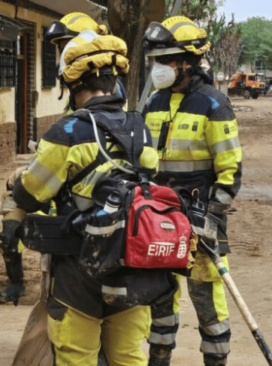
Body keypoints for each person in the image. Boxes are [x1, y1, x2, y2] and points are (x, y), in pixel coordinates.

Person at [11, 31, 160, 365]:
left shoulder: (67, 133)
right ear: (114, 81)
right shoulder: (142, 130)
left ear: (72, 85)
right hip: (133, 268)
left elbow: (29, 194)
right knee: (128, 358)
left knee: (76, 357)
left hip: (79, 272)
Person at [142, 16, 243, 366]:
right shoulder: (153, 104)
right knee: (159, 293)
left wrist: (213, 213)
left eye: (166, 59)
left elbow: (230, 172)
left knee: (205, 294)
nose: (159, 68)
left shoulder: (214, 105)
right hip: (159, 219)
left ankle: (215, 359)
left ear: (188, 62)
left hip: (201, 219)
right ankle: (159, 357)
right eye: (156, 60)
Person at [0, 12, 111, 304]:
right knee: (12, 216)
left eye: (65, 45)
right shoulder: (74, 103)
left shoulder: (104, 98)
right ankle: (16, 282)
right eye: (59, 47)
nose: (61, 54)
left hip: (88, 201)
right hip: (56, 182)